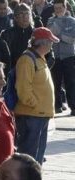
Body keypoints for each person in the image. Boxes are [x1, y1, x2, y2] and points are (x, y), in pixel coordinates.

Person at [14, 27, 58, 164]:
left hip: (39, 114)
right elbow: (23, 88)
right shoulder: (27, 59)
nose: (51, 46)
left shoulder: (39, 58)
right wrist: (34, 104)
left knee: (37, 157)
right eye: (50, 42)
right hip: (32, 115)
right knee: (29, 157)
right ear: (43, 43)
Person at [47, 0, 75, 116]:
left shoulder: (72, 21)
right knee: (55, 82)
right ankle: (57, 106)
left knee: (71, 82)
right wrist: (60, 35)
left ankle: (73, 106)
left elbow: (71, 39)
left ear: (65, 7)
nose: (58, 10)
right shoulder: (50, 21)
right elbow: (49, 37)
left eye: (60, 8)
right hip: (56, 57)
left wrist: (58, 35)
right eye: (56, 8)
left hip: (69, 56)